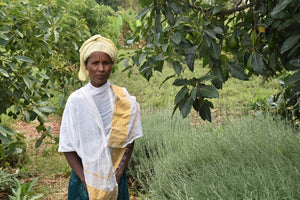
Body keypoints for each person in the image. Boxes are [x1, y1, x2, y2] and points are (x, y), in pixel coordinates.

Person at [58, 35, 143, 200]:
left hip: (115, 175)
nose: (101, 69)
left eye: (106, 63)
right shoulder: (76, 100)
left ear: (112, 65)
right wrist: (85, 180)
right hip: (83, 177)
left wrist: (117, 176)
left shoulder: (122, 99)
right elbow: (68, 146)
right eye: (95, 63)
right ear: (86, 66)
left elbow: (129, 140)